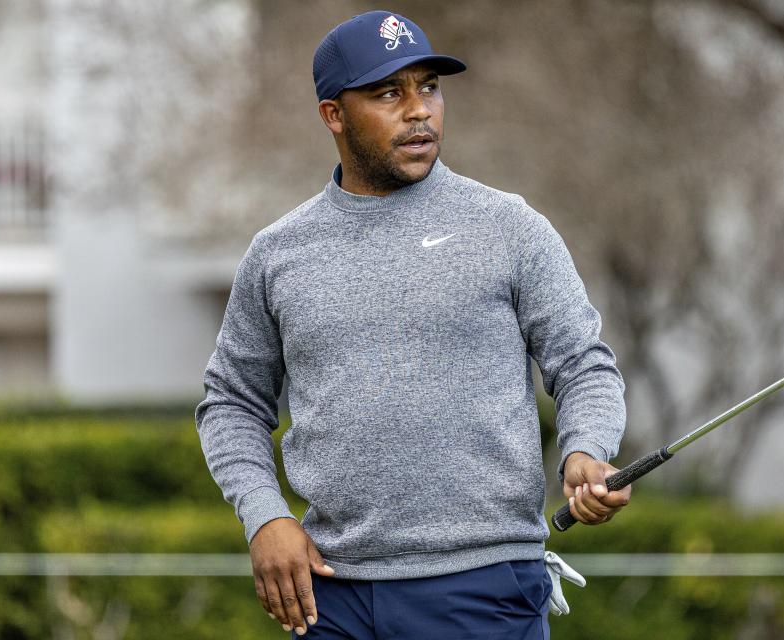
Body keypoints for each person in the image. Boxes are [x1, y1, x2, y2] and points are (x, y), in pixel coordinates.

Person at [194, 9, 631, 639]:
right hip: (329, 599)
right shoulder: (278, 253)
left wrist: (586, 449)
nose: (419, 110)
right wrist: (265, 517)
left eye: (429, 86)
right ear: (332, 115)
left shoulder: (510, 228)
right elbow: (232, 403)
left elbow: (584, 364)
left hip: (484, 589)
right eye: (388, 93)